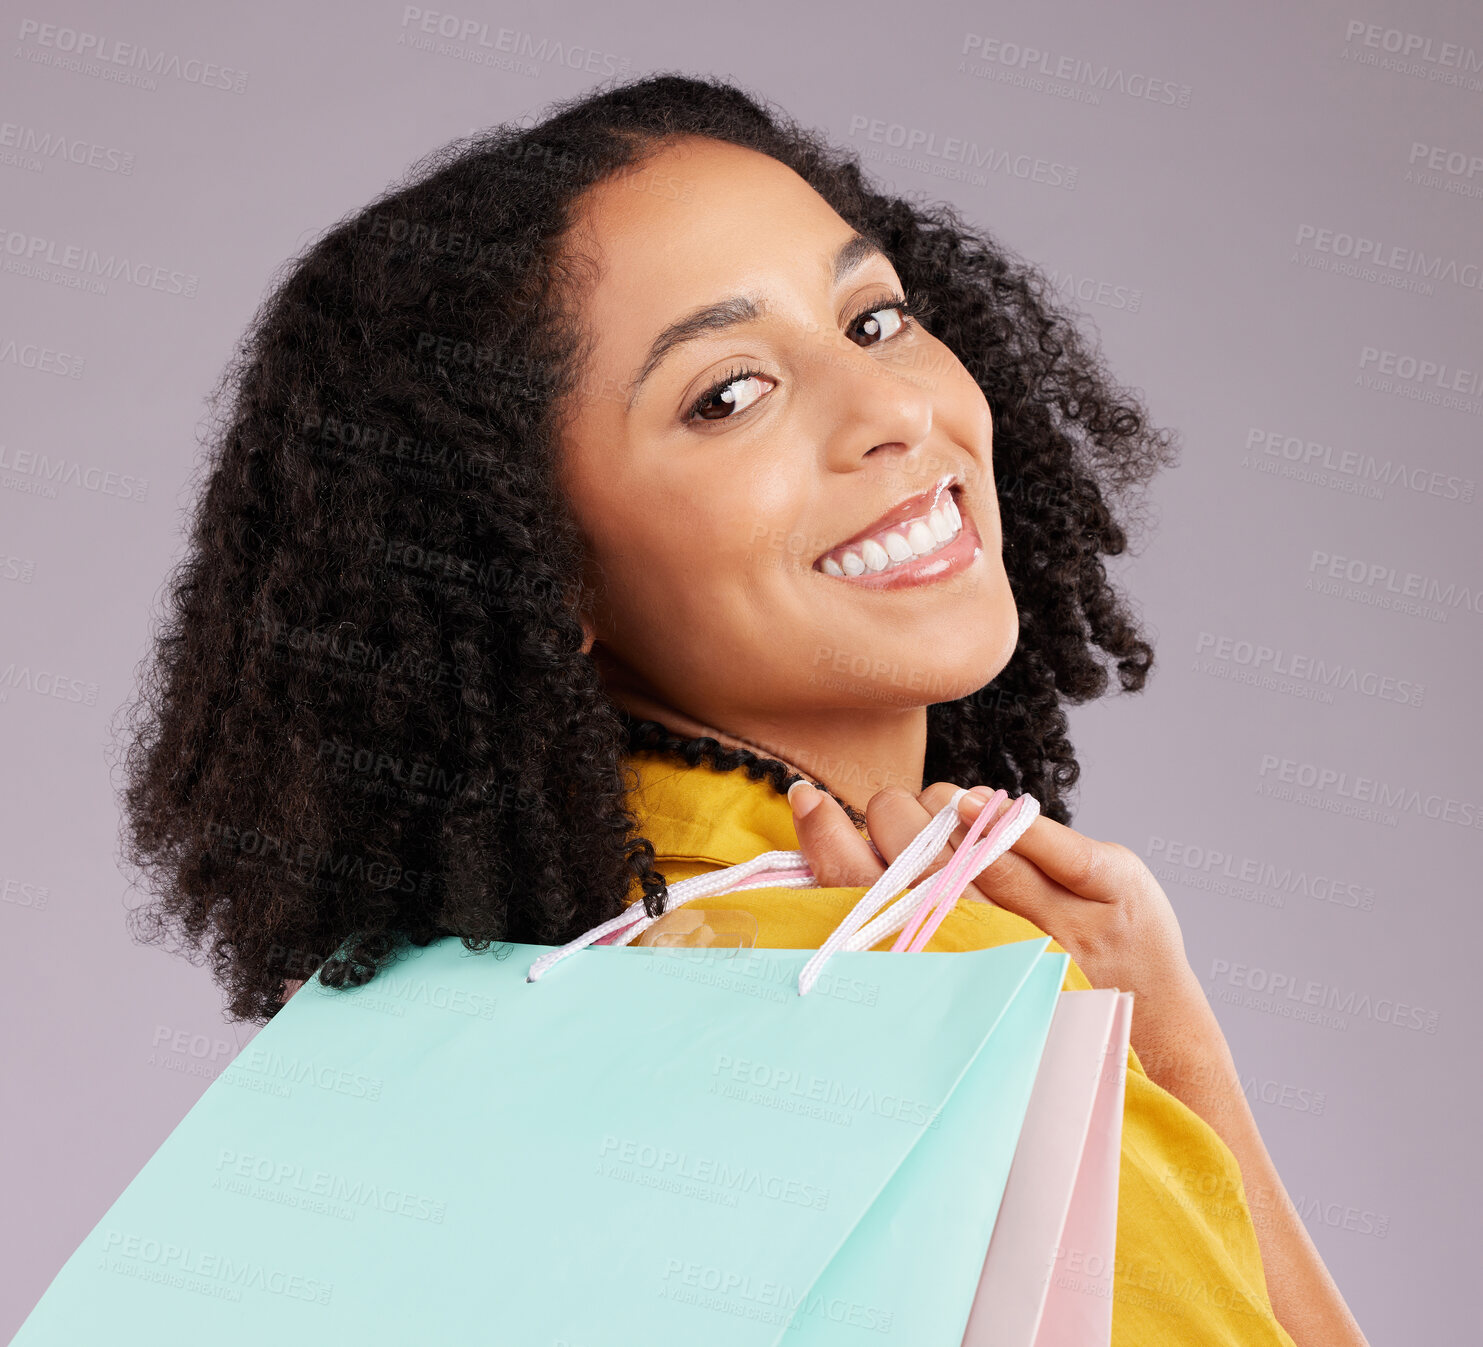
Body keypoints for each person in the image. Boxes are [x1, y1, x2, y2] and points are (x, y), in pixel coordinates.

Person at [120, 71, 1368, 1345]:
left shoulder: (441, 1029)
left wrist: (1169, 1051)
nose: (890, 411)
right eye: (727, 395)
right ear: (538, 570)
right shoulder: (941, 1009)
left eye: (873, 320)